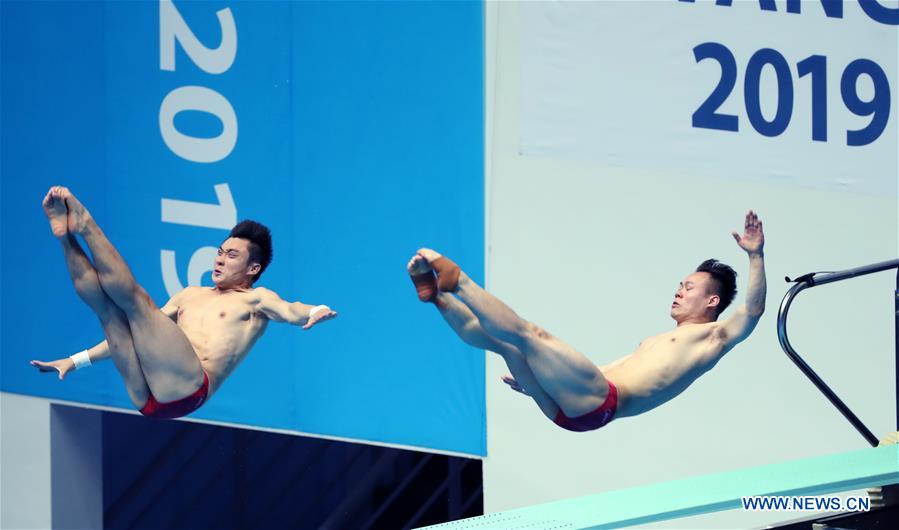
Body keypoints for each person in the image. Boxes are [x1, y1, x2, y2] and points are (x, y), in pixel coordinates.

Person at [407, 211, 766, 432]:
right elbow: (604, 370)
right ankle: (437, 295)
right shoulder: (657, 340)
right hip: (573, 405)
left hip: (599, 403)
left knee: (532, 334)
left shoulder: (712, 337)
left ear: (712, 301)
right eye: (679, 286)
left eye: (688, 288)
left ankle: (460, 282)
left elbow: (751, 312)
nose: (678, 292)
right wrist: (540, 381)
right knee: (505, 344)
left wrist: (756, 256)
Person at [32, 186, 337, 419]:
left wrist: (314, 311)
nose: (220, 259)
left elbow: (289, 309)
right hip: (148, 400)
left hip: (189, 389)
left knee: (137, 303)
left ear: (252, 269)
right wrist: (74, 361)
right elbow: (141, 336)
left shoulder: (256, 300)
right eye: (220, 251)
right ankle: (65, 238)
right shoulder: (190, 294)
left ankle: (86, 225)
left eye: (232, 256)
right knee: (109, 311)